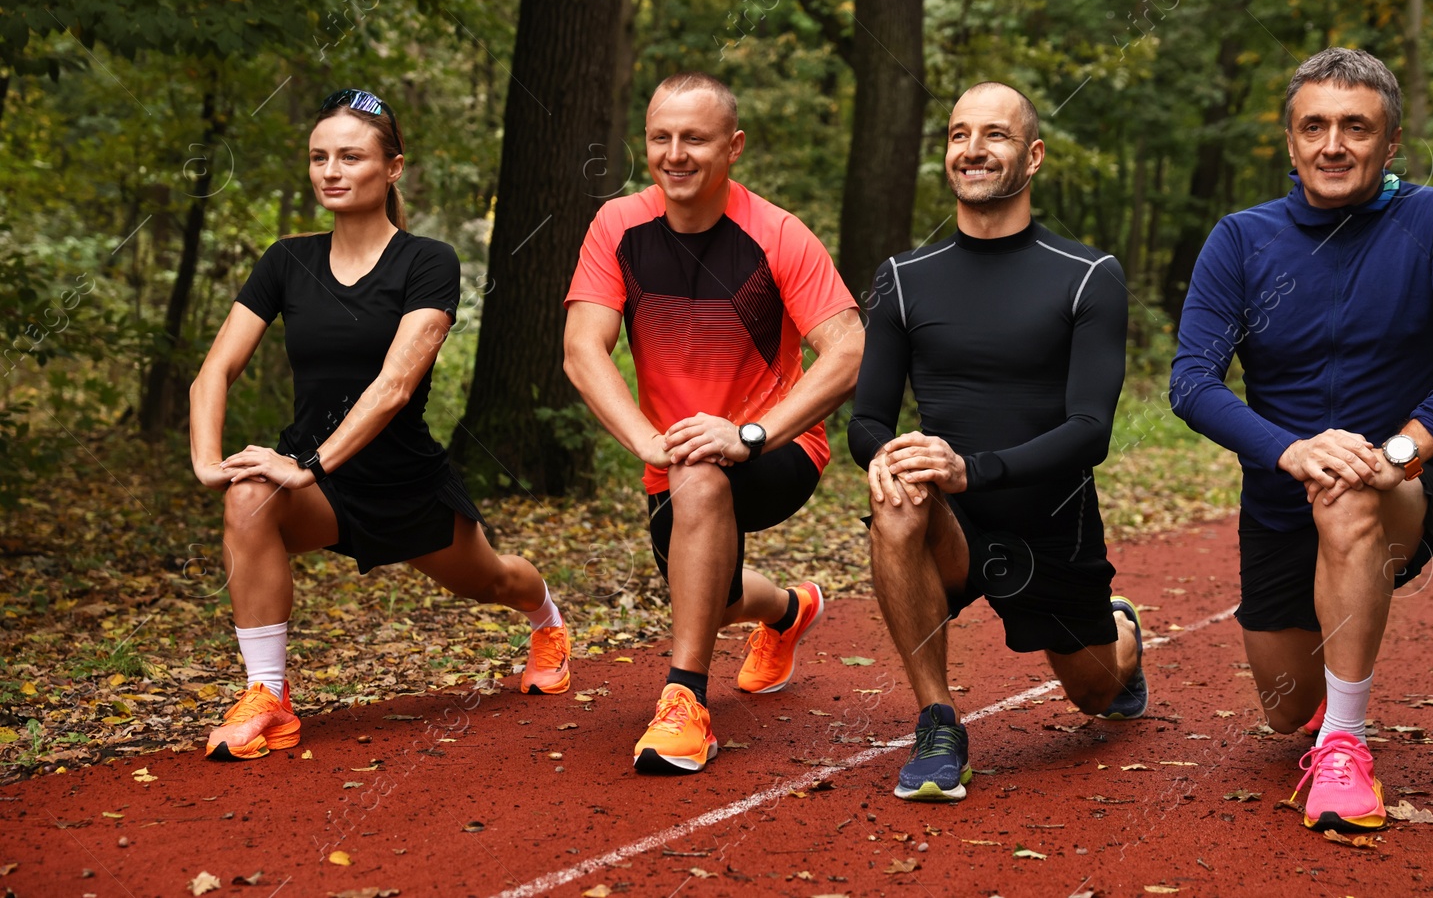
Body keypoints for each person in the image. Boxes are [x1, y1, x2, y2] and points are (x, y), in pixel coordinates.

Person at [1170, 47, 1433, 832]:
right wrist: (1289, 450)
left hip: (1400, 485)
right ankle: (1328, 689)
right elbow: (1192, 380)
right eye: (1315, 125)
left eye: (1355, 127)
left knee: (1351, 497)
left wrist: (1399, 452)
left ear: (1389, 142)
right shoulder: (1240, 239)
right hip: (1276, 495)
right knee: (1281, 709)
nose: (1334, 143)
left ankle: (1346, 748)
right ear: (1290, 142)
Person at [190, 88, 571, 762]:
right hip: (313, 481)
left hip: (402, 481)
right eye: (318, 157)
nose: (330, 171)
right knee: (248, 499)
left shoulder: (428, 261)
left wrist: (308, 464)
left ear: (393, 167)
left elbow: (394, 386)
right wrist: (207, 462)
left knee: (492, 581)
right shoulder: (286, 260)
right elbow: (214, 370)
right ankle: (268, 697)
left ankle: (547, 619)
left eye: (351, 156)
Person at [848, 82, 1144, 803]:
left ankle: (1122, 632)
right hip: (953, 520)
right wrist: (888, 457)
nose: (973, 149)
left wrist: (969, 468)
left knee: (1097, 696)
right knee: (894, 502)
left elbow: (1089, 431)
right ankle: (939, 721)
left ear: (1033, 155)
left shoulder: (1089, 276)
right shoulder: (902, 278)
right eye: (958, 135)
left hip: (1051, 522)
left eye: (995, 135)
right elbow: (867, 420)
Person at [563, 72, 863, 776]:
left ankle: (685, 703)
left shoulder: (777, 234)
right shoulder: (619, 226)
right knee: (713, 591)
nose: (675, 153)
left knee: (702, 478)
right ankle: (789, 610)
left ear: (733, 146)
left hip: (777, 447)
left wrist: (751, 434)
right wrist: (645, 440)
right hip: (671, 455)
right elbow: (582, 348)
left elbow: (850, 350)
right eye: (660, 137)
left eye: (694, 138)